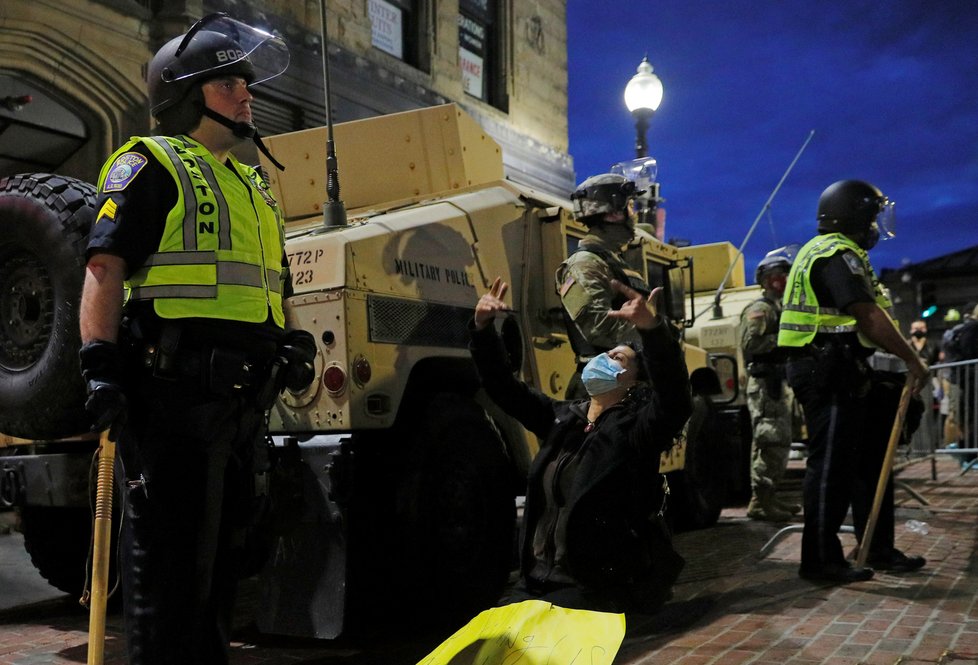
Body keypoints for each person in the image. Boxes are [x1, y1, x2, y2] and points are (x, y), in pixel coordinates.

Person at [78, 15, 315, 664]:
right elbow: (105, 265)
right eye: (229, 82)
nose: (247, 93)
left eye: (246, 80)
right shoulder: (146, 163)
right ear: (185, 92)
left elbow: (276, 285)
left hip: (241, 406)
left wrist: (293, 343)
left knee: (220, 574)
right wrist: (98, 367)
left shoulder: (251, 183)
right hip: (175, 402)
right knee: (171, 579)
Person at [471, 277, 691, 613]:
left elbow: (675, 399)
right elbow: (503, 387)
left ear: (632, 381)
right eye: (605, 353)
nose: (604, 358)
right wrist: (483, 328)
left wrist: (652, 329)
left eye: (617, 357)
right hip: (534, 583)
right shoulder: (562, 418)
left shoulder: (635, 431)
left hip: (593, 590)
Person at [779, 179, 929, 584]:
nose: (878, 224)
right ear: (857, 217)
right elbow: (868, 316)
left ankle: (876, 548)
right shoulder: (834, 253)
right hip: (825, 368)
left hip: (842, 367)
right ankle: (821, 560)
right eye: (873, 215)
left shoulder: (842, 254)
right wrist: (914, 360)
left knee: (867, 461)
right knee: (831, 467)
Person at [556, 173, 651, 398]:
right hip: (605, 390)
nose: (634, 214)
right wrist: (652, 330)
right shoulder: (584, 264)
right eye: (630, 206)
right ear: (614, 213)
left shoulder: (611, 261)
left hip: (627, 382)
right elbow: (598, 329)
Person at [740, 249, 799, 522]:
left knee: (778, 441)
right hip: (764, 383)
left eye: (784, 276)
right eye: (777, 277)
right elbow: (751, 345)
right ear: (766, 280)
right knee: (769, 439)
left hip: (775, 382)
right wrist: (784, 340)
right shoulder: (761, 309)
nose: (782, 282)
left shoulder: (778, 308)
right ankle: (760, 502)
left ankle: (768, 497)